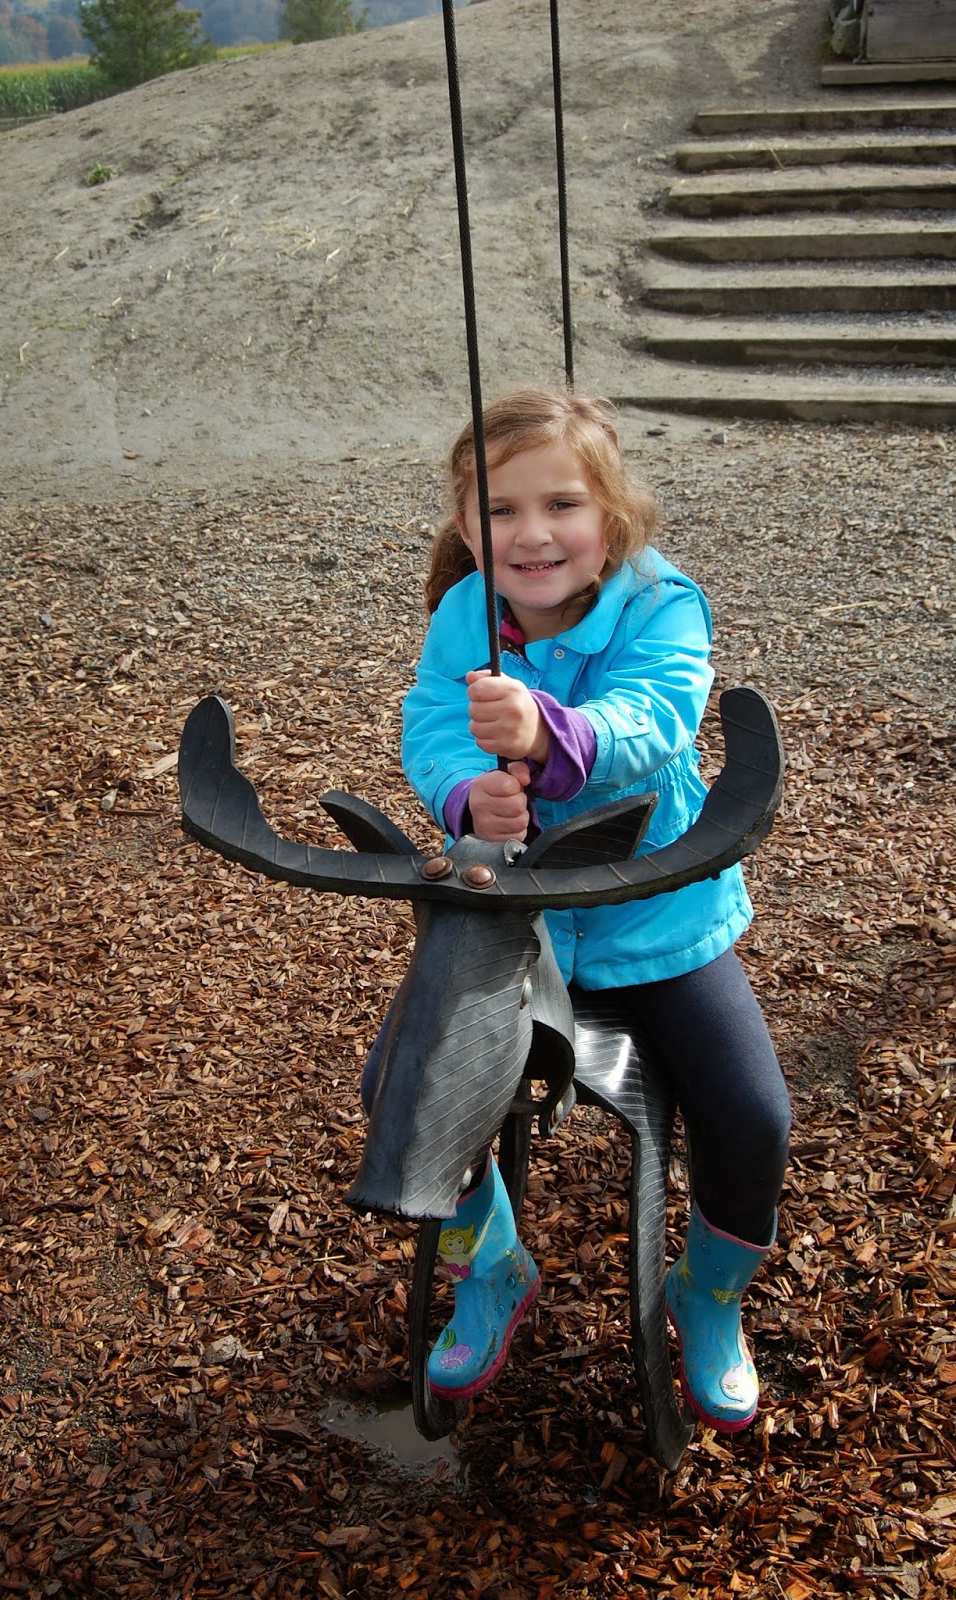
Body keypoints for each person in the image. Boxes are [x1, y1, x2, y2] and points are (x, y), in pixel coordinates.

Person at [397, 386, 791, 1433]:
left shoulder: (662, 602)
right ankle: (494, 1265)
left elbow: (653, 719)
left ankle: (707, 1293)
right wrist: (463, 793)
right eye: (501, 510)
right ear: (465, 524)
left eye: (561, 504)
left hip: (653, 919)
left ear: (609, 516)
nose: (532, 534)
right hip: (517, 919)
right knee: (407, 1090)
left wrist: (548, 733)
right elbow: (431, 723)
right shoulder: (464, 614)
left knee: (751, 1115)